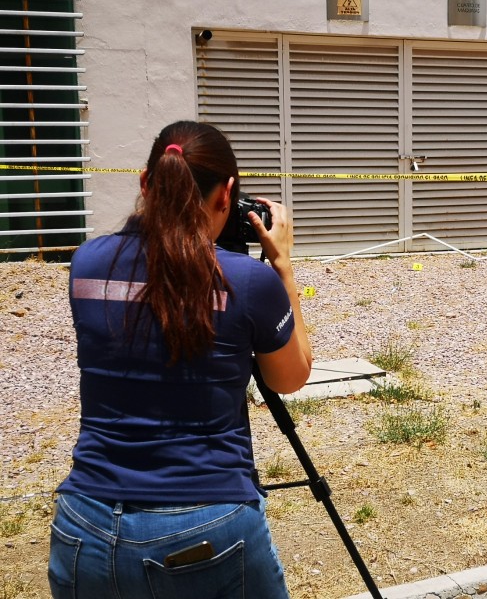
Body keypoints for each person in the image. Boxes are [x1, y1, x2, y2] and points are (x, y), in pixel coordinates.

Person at [47, 120, 312, 599]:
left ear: (145, 182)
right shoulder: (246, 281)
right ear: (227, 193)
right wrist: (283, 267)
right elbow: (289, 377)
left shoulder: (87, 263)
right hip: (206, 525)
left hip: (84, 522)